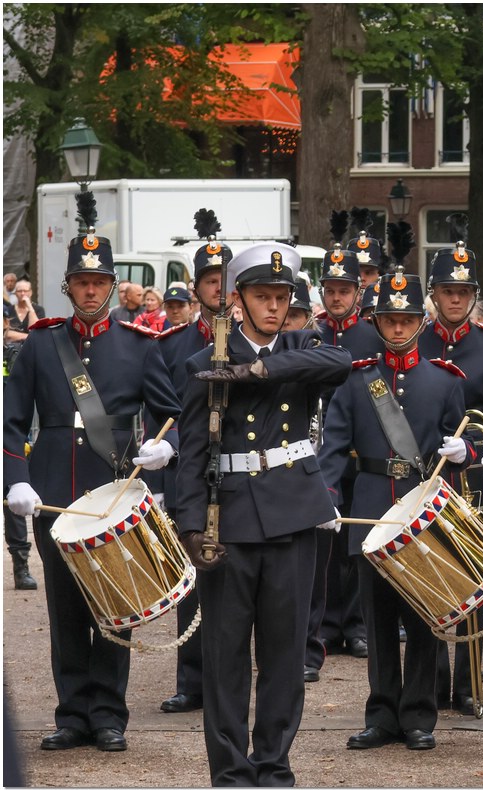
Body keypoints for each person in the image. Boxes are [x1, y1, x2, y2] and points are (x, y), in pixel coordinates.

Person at [4, 193, 181, 753]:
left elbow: (170, 413)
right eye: (81, 282)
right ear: (68, 287)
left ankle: (109, 714)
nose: (90, 290)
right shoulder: (39, 346)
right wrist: (15, 479)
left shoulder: (139, 345)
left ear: (110, 286)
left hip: (116, 492)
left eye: (99, 282)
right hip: (53, 488)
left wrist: (164, 450)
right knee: (64, 609)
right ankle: (71, 714)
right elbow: (10, 420)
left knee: (115, 605)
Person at [175, 242, 351, 785]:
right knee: (225, 658)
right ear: (237, 300)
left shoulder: (301, 346)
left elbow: (340, 363)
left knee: (283, 659)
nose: (273, 307)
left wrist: (259, 370)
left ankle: (274, 766)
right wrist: (187, 527)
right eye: (261, 296)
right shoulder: (203, 363)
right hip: (228, 520)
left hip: (294, 515)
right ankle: (230, 771)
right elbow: (191, 453)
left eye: (281, 297)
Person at [317, 268, 467, 752]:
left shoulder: (444, 381)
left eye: (405, 320)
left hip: (422, 507)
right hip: (370, 506)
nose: (397, 329)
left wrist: (471, 450)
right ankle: (382, 714)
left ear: (421, 321)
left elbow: (467, 434)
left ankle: (420, 715)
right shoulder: (357, 379)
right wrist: (324, 497)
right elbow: (333, 448)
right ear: (376, 322)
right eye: (389, 320)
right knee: (377, 619)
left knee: (424, 618)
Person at [417, 232, 483, 713]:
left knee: (473, 580)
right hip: (424, 476)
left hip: (470, 477)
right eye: (446, 292)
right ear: (433, 296)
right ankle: (432, 684)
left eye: (463, 292)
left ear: (475, 296)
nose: (454, 299)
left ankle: (469, 685)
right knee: (430, 576)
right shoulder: (413, 338)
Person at [152, 212, 234, 716]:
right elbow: (161, 413)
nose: (217, 289)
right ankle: (192, 679)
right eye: (209, 280)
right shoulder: (173, 345)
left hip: (240, 469)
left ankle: (230, 678)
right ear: (197, 287)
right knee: (191, 575)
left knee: (238, 578)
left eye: (225, 280)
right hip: (188, 470)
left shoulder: (248, 341)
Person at [312, 221, 384, 677]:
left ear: (359, 291)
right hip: (319, 448)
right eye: (331, 289)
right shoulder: (311, 333)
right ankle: (323, 625)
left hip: (365, 453)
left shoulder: (373, 336)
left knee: (359, 538)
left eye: (345, 289)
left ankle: (356, 623)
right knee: (324, 540)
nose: (337, 297)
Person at [4, 279, 45, 345]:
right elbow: (6, 334)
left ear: (30, 292)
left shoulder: (38, 310)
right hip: (12, 351)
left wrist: (30, 307)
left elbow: (35, 330)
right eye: (19, 291)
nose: (23, 293)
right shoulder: (8, 310)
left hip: (31, 348)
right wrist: (30, 337)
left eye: (25, 291)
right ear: (15, 293)